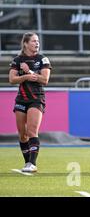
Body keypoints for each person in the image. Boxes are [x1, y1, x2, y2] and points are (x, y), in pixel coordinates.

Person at [9, 32, 52, 173]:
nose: (37, 43)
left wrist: (30, 71)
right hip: (21, 99)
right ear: (26, 43)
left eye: (38, 41)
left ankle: (32, 164)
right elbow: (12, 79)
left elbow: (44, 80)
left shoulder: (43, 59)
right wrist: (27, 75)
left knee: (32, 131)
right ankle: (27, 162)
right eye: (33, 41)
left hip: (36, 98)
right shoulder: (17, 60)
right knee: (22, 134)